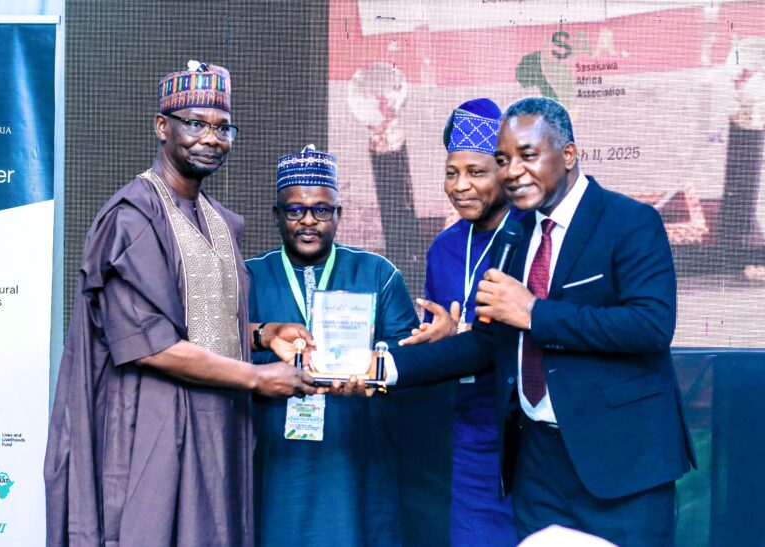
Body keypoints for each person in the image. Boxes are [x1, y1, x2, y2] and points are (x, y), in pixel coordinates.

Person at [381, 96, 696, 545]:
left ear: (567, 154)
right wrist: (387, 367)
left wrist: (533, 312)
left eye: (527, 156)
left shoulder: (630, 221)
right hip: (537, 462)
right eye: (504, 159)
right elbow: (490, 343)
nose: (512, 171)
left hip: (620, 462)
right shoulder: (517, 234)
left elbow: (650, 325)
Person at [44, 61, 320, 546]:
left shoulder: (215, 218)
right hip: (152, 425)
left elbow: (197, 317)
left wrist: (260, 334)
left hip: (218, 424)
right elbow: (147, 343)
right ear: (162, 127)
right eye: (195, 124)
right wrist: (257, 375)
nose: (211, 139)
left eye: (222, 127)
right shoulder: (132, 218)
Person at [244, 145, 419, 546]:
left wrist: (371, 371)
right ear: (276, 215)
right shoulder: (248, 277)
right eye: (295, 210)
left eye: (322, 210)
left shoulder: (378, 273)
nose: (309, 221)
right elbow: (220, 352)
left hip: (354, 450)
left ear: (338, 215)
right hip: (276, 458)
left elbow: (406, 359)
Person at [400, 98, 518, 545]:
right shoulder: (444, 248)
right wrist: (435, 338)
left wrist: (462, 333)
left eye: (476, 172)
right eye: (452, 172)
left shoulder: (531, 235)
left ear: (504, 172)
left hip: (529, 430)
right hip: (472, 428)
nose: (460, 186)